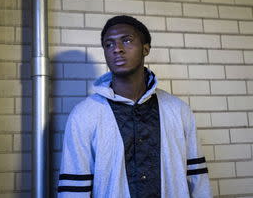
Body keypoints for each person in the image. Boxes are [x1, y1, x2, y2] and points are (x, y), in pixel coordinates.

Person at [58, 15, 212, 197]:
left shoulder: (178, 110)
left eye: (127, 40)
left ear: (145, 49)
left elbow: (197, 178)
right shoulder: (84, 114)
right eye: (109, 44)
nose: (117, 49)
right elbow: (73, 189)